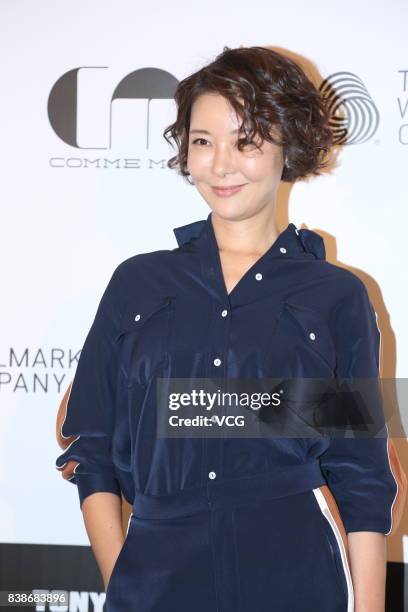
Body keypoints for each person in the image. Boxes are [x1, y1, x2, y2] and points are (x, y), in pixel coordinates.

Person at [55, 46, 406, 612]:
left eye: (246, 141)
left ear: (286, 145)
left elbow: (362, 474)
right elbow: (91, 446)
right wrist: (126, 577)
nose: (220, 164)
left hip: (299, 574)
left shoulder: (338, 296)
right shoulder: (137, 283)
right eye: (202, 141)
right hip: (157, 577)